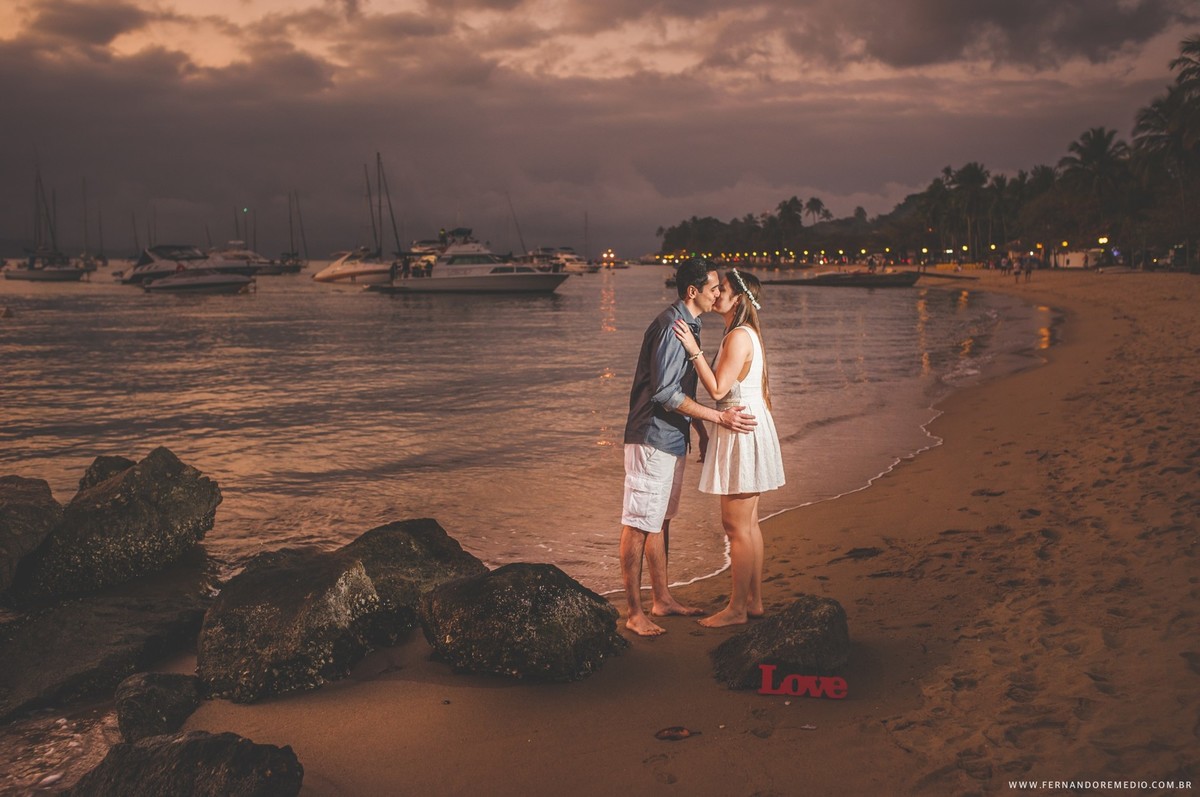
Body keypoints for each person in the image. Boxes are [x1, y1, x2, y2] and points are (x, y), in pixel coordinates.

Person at [620, 257, 758, 637]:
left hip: (672, 435)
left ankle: (662, 599)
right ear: (693, 291)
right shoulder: (671, 327)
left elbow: (684, 389)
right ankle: (634, 612)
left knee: (659, 519)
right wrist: (717, 419)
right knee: (638, 523)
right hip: (651, 437)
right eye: (714, 287)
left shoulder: (691, 325)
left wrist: (697, 428)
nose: (719, 293)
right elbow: (665, 393)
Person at [672, 268, 785, 627]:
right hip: (745, 423)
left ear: (738, 299)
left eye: (723, 289)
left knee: (736, 526)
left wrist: (693, 351)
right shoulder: (741, 333)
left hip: (739, 426)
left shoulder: (738, 336)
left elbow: (719, 391)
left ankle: (737, 609)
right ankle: (753, 602)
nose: (716, 293)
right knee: (748, 524)